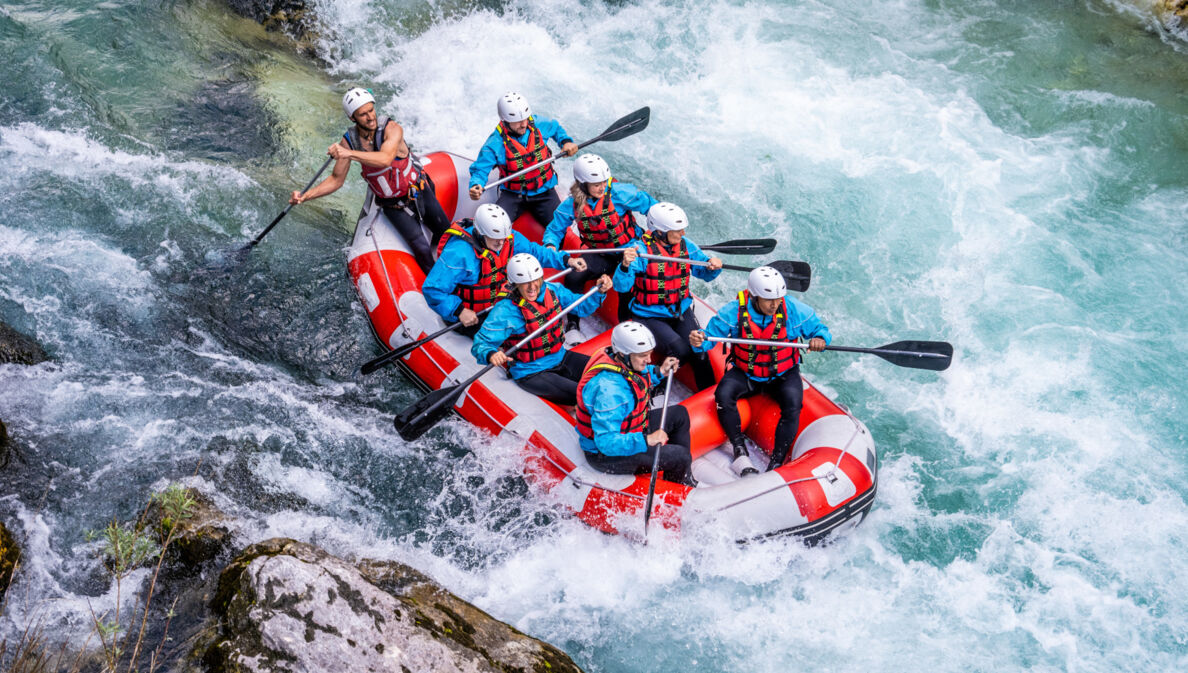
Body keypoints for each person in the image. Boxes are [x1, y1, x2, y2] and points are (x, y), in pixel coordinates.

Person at [291, 87, 449, 273]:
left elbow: (385, 158)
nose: (370, 117)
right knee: (421, 250)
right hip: (393, 205)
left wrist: (348, 153)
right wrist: (305, 196)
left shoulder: (392, 128)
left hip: (419, 191)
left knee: (445, 234)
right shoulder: (350, 141)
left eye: (371, 110)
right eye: (363, 114)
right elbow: (336, 179)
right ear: (352, 118)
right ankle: (439, 292)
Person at [689, 267, 830, 475]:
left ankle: (776, 462)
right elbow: (708, 339)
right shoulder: (733, 311)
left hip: (783, 373)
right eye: (768, 300)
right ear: (754, 297)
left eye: (778, 298)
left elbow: (820, 329)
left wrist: (820, 339)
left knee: (793, 405)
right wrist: (697, 340)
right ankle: (739, 448)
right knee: (723, 395)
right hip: (746, 373)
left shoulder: (793, 309)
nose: (775, 304)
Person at [423, 204, 586, 337]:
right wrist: (459, 311)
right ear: (480, 232)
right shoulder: (459, 254)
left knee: (535, 323)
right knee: (509, 341)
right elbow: (432, 289)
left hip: (497, 304)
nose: (501, 243)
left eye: (503, 238)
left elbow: (535, 252)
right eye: (496, 239)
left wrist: (566, 260)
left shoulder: (506, 238)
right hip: (469, 315)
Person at [472, 254, 611, 406]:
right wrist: (491, 354)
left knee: (607, 373)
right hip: (531, 372)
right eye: (525, 283)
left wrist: (599, 292)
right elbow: (481, 343)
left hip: (560, 356)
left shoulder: (552, 290)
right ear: (515, 283)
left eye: (535, 280)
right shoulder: (505, 311)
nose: (532, 287)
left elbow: (582, 307)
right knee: (587, 395)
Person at [612, 202, 723, 390]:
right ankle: (656, 384)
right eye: (677, 231)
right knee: (680, 349)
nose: (683, 234)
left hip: (680, 309)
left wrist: (712, 266)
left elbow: (703, 272)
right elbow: (621, 286)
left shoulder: (686, 246)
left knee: (700, 351)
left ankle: (712, 394)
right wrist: (624, 265)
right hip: (649, 315)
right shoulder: (641, 251)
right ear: (660, 232)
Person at [575, 321, 696, 487]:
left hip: (630, 430)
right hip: (606, 456)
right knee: (681, 456)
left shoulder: (621, 360)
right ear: (624, 353)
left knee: (680, 414)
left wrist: (660, 371)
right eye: (643, 355)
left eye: (649, 353)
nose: (649, 359)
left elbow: (638, 379)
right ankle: (675, 490)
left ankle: (681, 477)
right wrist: (647, 440)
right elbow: (606, 443)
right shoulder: (610, 392)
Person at [543, 154, 657, 324]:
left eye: (604, 182)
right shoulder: (572, 205)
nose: (602, 187)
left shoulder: (620, 193)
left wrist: (657, 232)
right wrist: (550, 245)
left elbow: (651, 207)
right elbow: (554, 229)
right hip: (601, 253)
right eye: (597, 184)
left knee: (628, 285)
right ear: (583, 184)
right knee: (574, 276)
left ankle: (626, 326)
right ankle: (573, 323)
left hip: (630, 249)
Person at [467, 92, 578, 227]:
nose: (523, 124)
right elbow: (480, 170)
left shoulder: (537, 123)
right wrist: (475, 185)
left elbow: (555, 127)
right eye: (517, 122)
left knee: (561, 228)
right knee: (494, 225)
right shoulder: (494, 143)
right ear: (505, 121)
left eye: (525, 118)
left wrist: (565, 141)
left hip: (544, 191)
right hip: (513, 195)